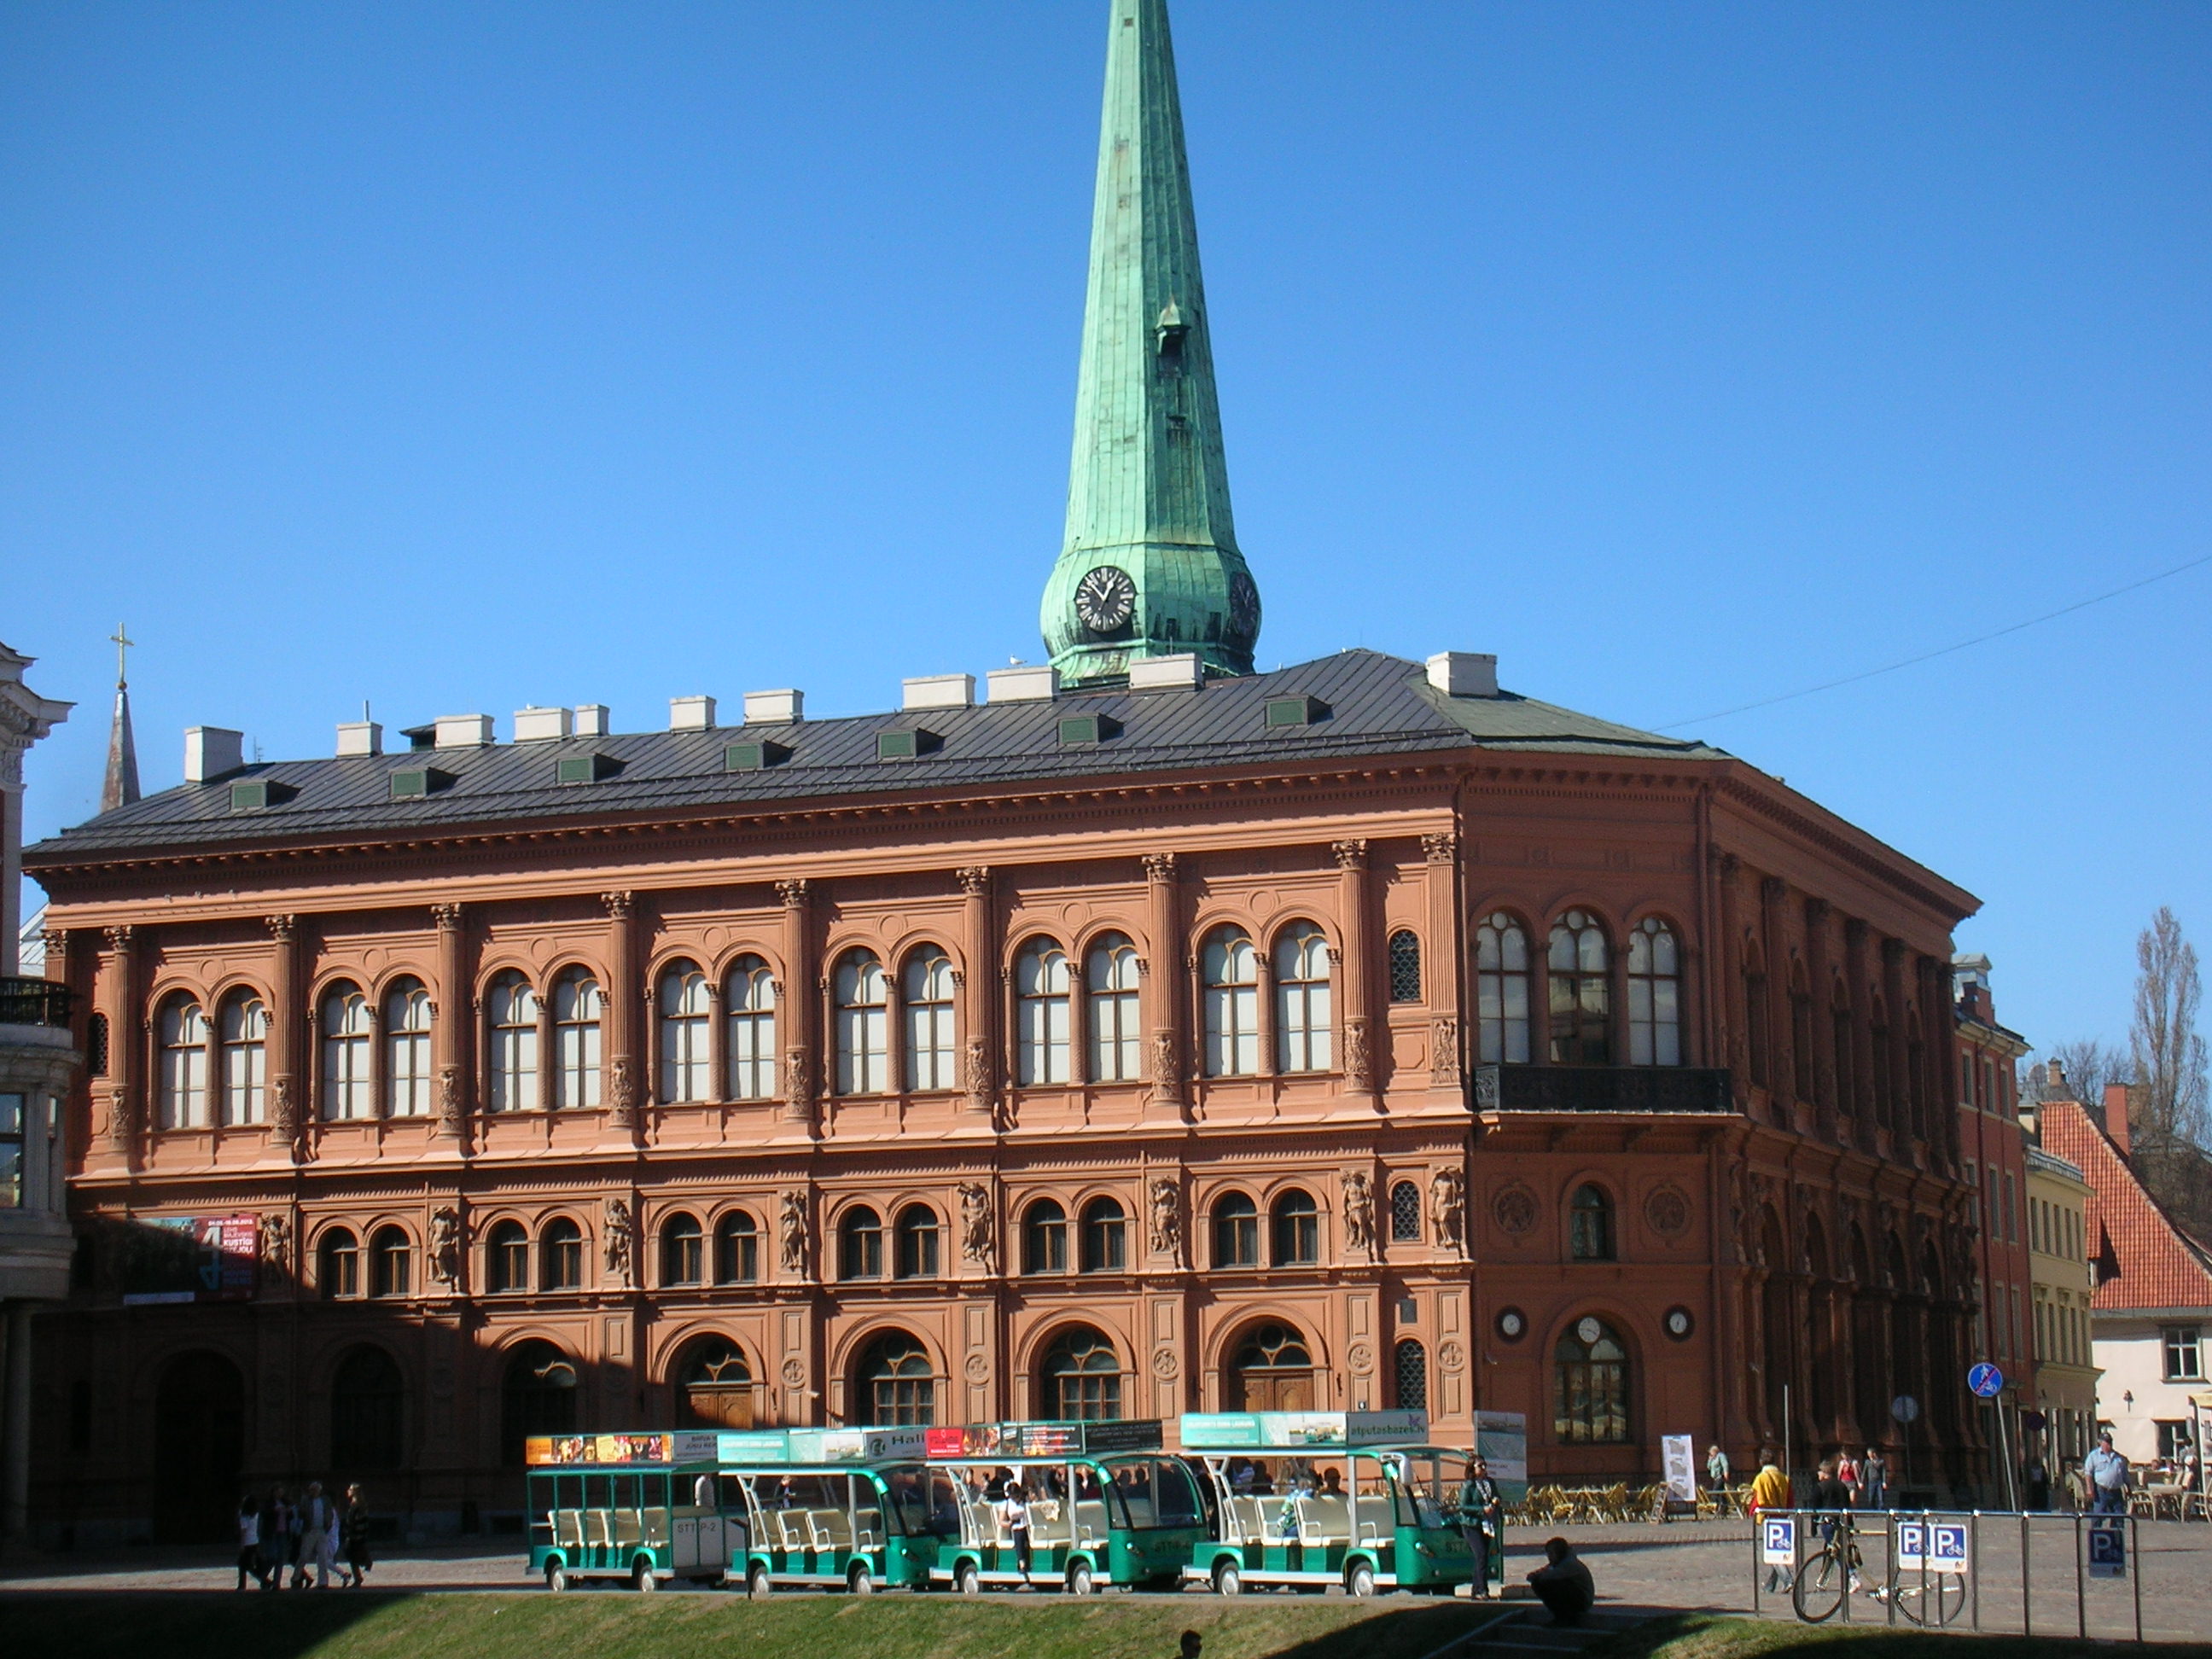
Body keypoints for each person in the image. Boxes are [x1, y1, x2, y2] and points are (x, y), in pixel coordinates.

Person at [1810, 1457, 1871, 1596]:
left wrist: (1813, 1526)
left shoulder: (1820, 1487)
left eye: (1819, 1472)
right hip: (1841, 1522)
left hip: (1828, 1523)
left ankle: (1853, 1577)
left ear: (1824, 1473)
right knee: (1835, 1550)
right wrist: (1850, 1524)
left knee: (1837, 1553)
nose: (1818, 1475)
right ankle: (1822, 1580)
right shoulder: (1841, 1485)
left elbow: (1814, 1508)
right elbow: (1847, 1506)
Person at [1457, 1453, 1505, 1599]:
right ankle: (1482, 1589)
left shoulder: (1489, 1482)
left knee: (1483, 1557)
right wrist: (1481, 1510)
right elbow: (1463, 1506)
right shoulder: (1469, 1485)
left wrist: (1495, 1501)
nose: (1483, 1468)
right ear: (1472, 1468)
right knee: (1481, 1554)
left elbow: (1496, 1496)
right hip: (1472, 1525)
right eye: (1480, 1466)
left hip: (1486, 1524)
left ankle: (1476, 1589)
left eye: (1485, 1465)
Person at [1526, 1536, 1596, 1626]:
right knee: (1540, 1584)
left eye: (1551, 1553)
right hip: (1577, 1598)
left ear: (1559, 1552)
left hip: (1582, 1601)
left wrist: (1537, 1576)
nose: (1549, 1557)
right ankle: (1560, 1616)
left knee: (1551, 1584)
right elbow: (1537, 1575)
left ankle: (1566, 1617)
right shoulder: (1559, 1563)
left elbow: (1550, 1576)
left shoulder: (1569, 1564)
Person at [1748, 1449, 1792, 1591]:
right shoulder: (1784, 1477)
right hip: (1782, 1515)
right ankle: (1770, 1585)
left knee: (1772, 1553)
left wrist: (1751, 1512)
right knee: (1776, 1550)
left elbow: (1756, 1499)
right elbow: (1790, 1498)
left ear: (1761, 1462)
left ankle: (1788, 1580)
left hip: (1768, 1516)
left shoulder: (1761, 1478)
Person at [297, 1481, 336, 1589]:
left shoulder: (325, 1500)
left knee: (323, 1557)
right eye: (312, 1490)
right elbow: (301, 1514)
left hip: (322, 1531)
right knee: (304, 1556)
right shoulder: (306, 1500)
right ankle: (296, 1577)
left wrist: (328, 1524)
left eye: (315, 1490)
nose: (313, 1492)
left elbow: (330, 1513)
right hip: (310, 1531)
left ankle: (323, 1582)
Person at [2085, 1432, 2130, 1514]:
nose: (2109, 1444)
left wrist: (2129, 1488)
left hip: (2116, 1490)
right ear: (2100, 1442)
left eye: (2110, 1441)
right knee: (2099, 1514)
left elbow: (2124, 1474)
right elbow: (2088, 1473)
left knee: (2119, 1515)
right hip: (2101, 1490)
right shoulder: (2094, 1456)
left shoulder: (2118, 1457)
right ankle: (2096, 1527)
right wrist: (2089, 1489)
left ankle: (2116, 1527)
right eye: (2106, 1442)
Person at [998, 1482, 1033, 1585]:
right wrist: (1009, 1523)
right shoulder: (1006, 1504)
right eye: (1014, 1497)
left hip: (1026, 1526)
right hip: (1014, 1527)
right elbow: (1000, 1521)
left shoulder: (1025, 1501)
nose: (1016, 1498)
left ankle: (1028, 1562)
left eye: (1017, 1496)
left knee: (1024, 1533)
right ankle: (1022, 1563)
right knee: (1019, 1534)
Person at [342, 1484, 374, 1587]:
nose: (348, 1491)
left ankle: (358, 1578)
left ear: (354, 1492)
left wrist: (351, 1533)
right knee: (354, 1557)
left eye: (350, 1489)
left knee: (353, 1558)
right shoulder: (358, 1505)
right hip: (357, 1535)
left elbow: (356, 1522)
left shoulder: (356, 1506)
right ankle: (364, 1566)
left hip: (355, 1535)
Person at [234, 1494, 262, 1591]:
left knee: (242, 1564)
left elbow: (243, 1531)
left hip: (247, 1542)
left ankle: (242, 1585)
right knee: (247, 1564)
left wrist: (242, 1545)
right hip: (255, 1541)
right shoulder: (256, 1514)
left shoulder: (244, 1516)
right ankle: (262, 1579)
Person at [1857, 1447, 1889, 1512]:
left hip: (1879, 1481)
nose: (1869, 1455)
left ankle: (1881, 1510)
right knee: (1871, 1497)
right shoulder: (1867, 1462)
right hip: (1871, 1482)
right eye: (1868, 1454)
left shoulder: (1881, 1461)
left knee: (1881, 1497)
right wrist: (1861, 1482)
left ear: (1873, 1453)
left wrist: (1884, 1482)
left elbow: (1883, 1472)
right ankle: (1873, 1509)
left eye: (1870, 1454)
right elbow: (1864, 1472)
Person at [2023, 1447, 2051, 1511]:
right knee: (2041, 1502)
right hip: (2041, 1488)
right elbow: (2045, 1478)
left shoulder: (2031, 1468)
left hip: (2035, 1487)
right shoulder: (2041, 1468)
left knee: (2036, 1501)